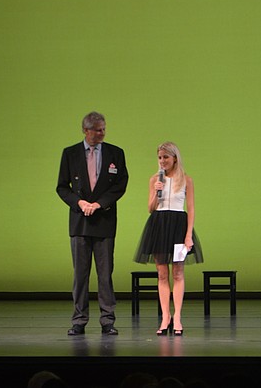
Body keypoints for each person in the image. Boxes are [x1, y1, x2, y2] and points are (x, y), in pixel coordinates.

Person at [56, 111, 129, 336]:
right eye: (97, 130)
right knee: (81, 274)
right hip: (80, 222)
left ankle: (107, 320)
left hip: (104, 221)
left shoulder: (116, 153)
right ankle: (79, 320)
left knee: (105, 274)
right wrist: (80, 202)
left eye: (103, 129)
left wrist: (98, 204)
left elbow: (120, 184)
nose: (102, 133)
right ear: (86, 130)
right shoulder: (70, 154)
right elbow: (62, 187)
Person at [133, 141, 203, 336]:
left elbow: (191, 209)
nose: (162, 161)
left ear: (174, 158)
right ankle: (165, 316)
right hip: (159, 224)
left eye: (165, 157)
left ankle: (178, 316)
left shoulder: (186, 180)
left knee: (178, 273)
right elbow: (150, 208)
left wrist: (188, 235)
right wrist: (157, 190)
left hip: (178, 225)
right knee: (162, 274)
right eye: (160, 157)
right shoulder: (155, 179)